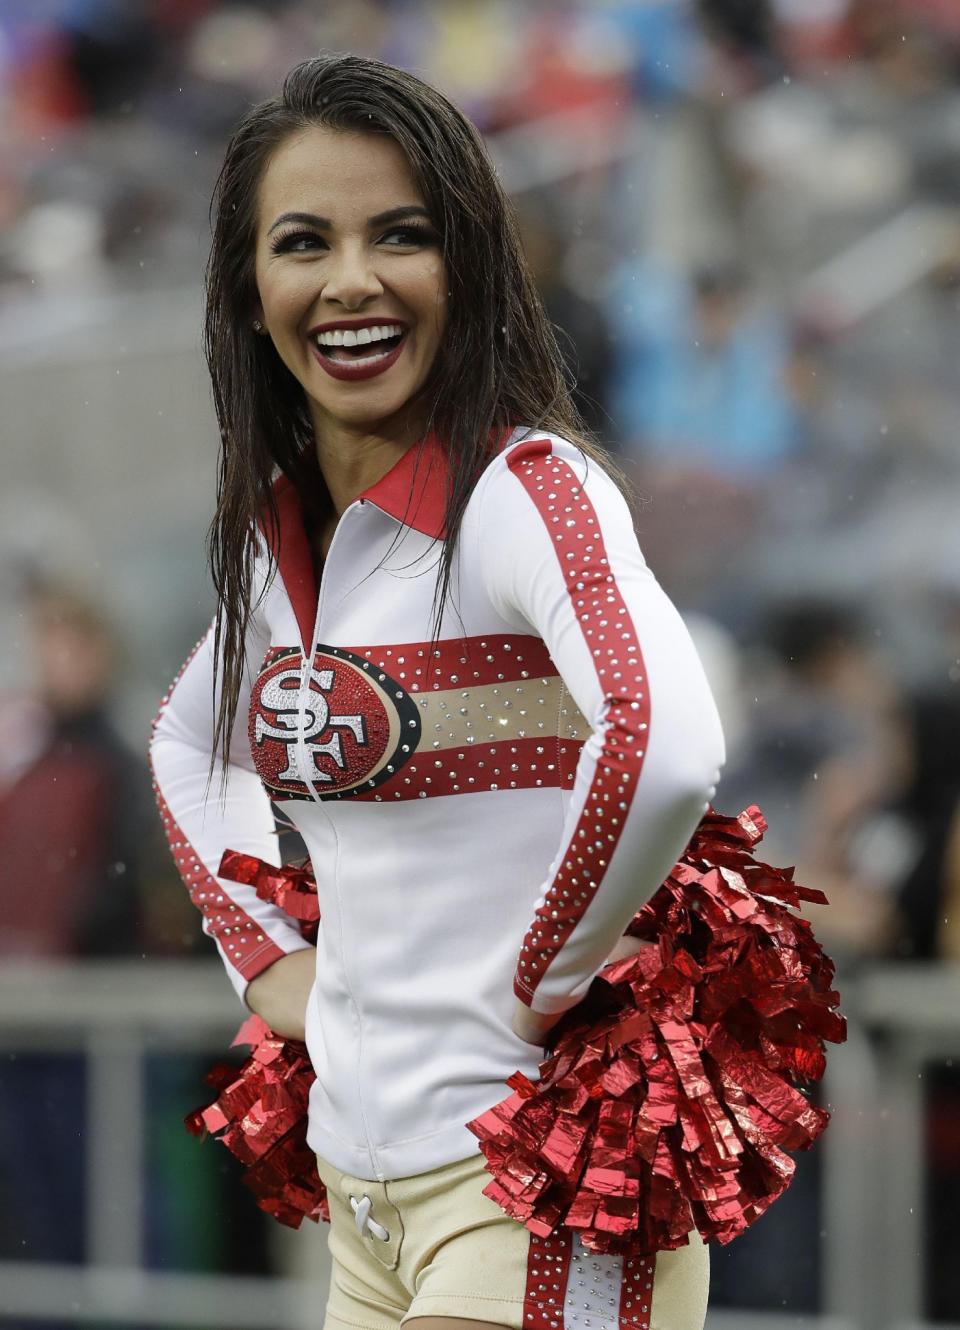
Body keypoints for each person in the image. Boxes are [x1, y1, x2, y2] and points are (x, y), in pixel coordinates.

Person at [150, 54, 725, 1330]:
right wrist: (265, 960)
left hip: (535, 1177)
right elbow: (186, 743)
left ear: (465, 265)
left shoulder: (526, 493)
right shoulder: (280, 540)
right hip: (368, 1194)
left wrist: (539, 976)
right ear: (251, 293)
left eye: (400, 235)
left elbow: (669, 742)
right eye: (305, 242)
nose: (351, 279)